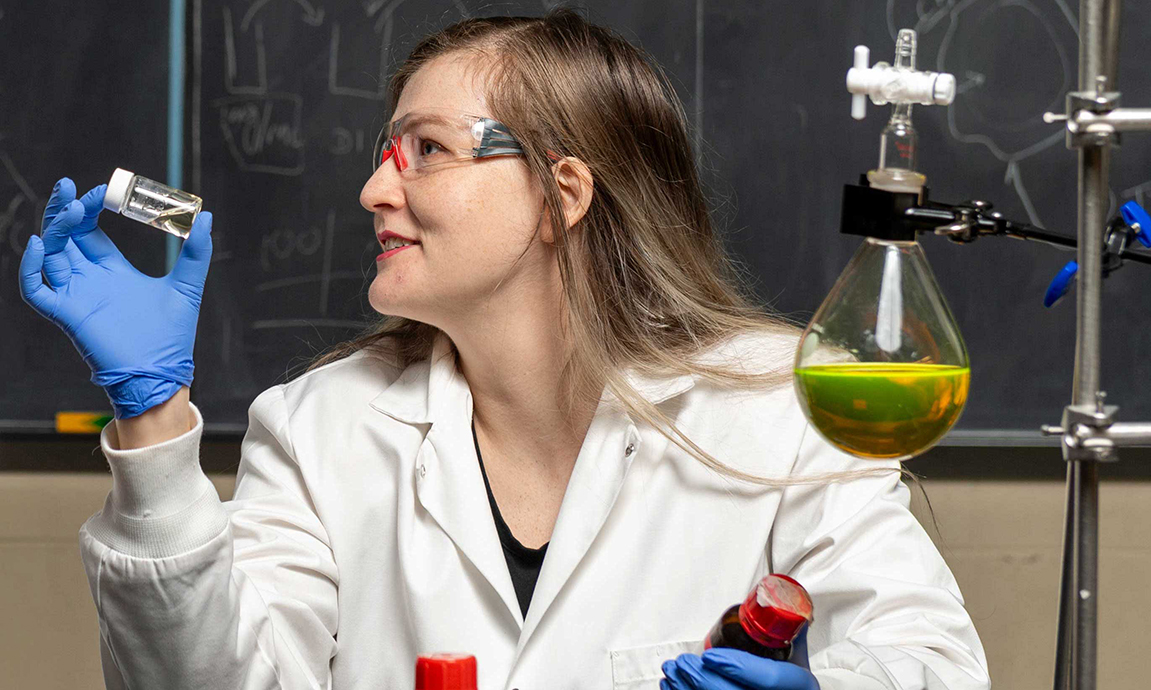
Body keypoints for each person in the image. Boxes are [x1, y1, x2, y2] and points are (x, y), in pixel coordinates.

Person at [19, 9, 990, 690]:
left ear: (562, 193)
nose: (374, 190)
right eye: (383, 152)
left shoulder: (781, 409)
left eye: (426, 150)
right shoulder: (320, 429)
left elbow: (931, 663)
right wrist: (151, 413)